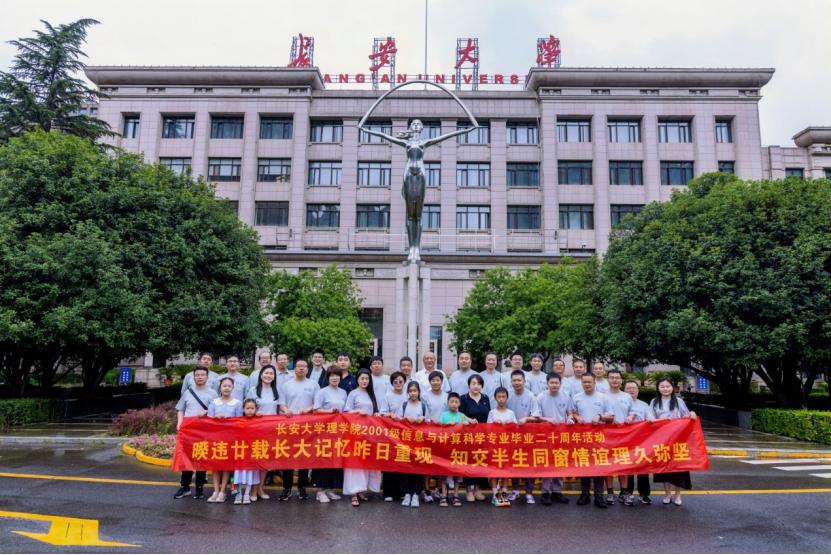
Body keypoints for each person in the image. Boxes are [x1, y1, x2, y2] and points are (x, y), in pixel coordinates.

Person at [278, 357, 319, 501]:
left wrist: (309, 408)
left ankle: (302, 487)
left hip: (307, 426)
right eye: (298, 366)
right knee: (288, 456)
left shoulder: (313, 384)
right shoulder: (287, 385)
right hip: (290, 425)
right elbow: (281, 403)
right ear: (294, 369)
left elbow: (317, 403)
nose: (301, 368)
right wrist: (286, 409)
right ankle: (287, 488)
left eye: (304, 366)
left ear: (307, 369)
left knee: (304, 456)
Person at [651, 377, 697, 506]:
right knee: (664, 468)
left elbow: (686, 417)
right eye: (662, 386)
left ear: (672, 388)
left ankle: (678, 494)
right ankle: (667, 494)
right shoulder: (654, 402)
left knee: (678, 468)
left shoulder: (679, 401)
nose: (665, 389)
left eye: (667, 386)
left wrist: (692, 414)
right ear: (658, 388)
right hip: (662, 440)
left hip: (678, 439)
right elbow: (651, 418)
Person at [174, 366, 218, 500]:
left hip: (204, 431)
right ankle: (185, 487)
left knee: (201, 458)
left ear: (207, 377)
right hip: (188, 430)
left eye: (202, 375)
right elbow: (180, 409)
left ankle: (199, 488)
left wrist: (207, 411)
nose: (199, 377)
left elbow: (216, 411)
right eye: (197, 375)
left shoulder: (213, 394)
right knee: (186, 458)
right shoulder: (188, 392)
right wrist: (179, 423)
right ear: (193, 377)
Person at [572, 373, 614, 508]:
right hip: (583, 438)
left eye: (589, 382)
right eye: (584, 382)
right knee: (584, 466)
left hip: (599, 438)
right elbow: (572, 412)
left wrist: (600, 416)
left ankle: (599, 496)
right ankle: (585, 494)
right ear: (581, 383)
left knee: (598, 468)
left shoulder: (603, 397)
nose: (587, 384)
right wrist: (576, 417)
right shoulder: (577, 397)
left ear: (594, 382)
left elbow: (611, 417)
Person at [343, 368, 382, 506]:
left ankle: (361, 489)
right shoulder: (353, 394)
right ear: (357, 380)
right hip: (355, 433)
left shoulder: (372, 394)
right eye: (362, 378)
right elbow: (346, 412)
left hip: (369, 434)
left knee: (365, 463)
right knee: (354, 464)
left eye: (367, 379)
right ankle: (353, 493)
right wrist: (358, 411)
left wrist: (376, 415)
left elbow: (375, 412)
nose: (364, 381)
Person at [536, 372, 573, 505]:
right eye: (551, 383)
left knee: (559, 461)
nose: (554, 385)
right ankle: (545, 492)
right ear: (547, 383)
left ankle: (557, 491)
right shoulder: (540, 397)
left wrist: (570, 419)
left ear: (560, 383)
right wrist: (548, 420)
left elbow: (569, 412)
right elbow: (537, 416)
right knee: (547, 463)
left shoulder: (566, 396)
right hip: (546, 435)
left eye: (556, 383)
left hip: (561, 435)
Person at [312, 368, 348, 503]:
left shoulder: (343, 392)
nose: (335, 378)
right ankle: (320, 491)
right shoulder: (322, 392)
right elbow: (315, 410)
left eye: (337, 375)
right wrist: (329, 412)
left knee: (336, 460)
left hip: (339, 432)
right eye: (332, 376)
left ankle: (330, 489)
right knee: (323, 459)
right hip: (324, 431)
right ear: (328, 378)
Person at [206, 377, 242, 503]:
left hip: (230, 439)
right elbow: (208, 421)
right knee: (216, 466)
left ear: (233, 388)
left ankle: (223, 491)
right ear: (220, 388)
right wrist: (216, 418)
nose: (227, 388)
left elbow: (239, 421)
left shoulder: (237, 403)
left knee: (227, 466)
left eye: (229, 386)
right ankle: (215, 490)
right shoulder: (214, 402)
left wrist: (229, 420)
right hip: (216, 438)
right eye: (224, 386)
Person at [246, 365, 279, 500]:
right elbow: (247, 409)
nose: (268, 375)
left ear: (274, 376)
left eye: (271, 373)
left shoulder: (276, 391)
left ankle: (260, 488)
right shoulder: (253, 390)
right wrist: (254, 413)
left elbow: (280, 407)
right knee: (256, 460)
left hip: (271, 430)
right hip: (256, 429)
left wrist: (286, 410)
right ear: (261, 375)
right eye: (266, 373)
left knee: (265, 461)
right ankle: (253, 490)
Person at [604, 369, 636, 505]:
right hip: (607, 436)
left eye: (617, 377)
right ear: (608, 380)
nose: (614, 380)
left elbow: (632, 411)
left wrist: (630, 416)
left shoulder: (627, 396)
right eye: (612, 377)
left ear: (621, 380)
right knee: (608, 465)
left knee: (623, 464)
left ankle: (624, 492)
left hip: (624, 436)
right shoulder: (602, 396)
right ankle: (610, 492)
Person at [621, 380, 655, 505]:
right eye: (628, 388)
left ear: (638, 390)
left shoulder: (644, 405)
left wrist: (650, 420)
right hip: (626, 440)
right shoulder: (621, 403)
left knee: (642, 467)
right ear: (624, 390)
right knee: (628, 467)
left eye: (634, 388)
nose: (631, 390)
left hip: (642, 440)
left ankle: (644, 494)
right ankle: (627, 493)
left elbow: (651, 419)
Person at [396, 381, 428, 508]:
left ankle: (415, 494)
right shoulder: (404, 405)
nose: (413, 393)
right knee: (405, 468)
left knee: (417, 468)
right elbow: (397, 420)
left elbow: (429, 421)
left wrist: (423, 418)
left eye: (415, 391)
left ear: (419, 392)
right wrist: (405, 419)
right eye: (410, 391)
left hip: (419, 442)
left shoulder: (423, 405)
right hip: (405, 441)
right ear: (407, 393)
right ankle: (406, 494)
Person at [459, 374, 490, 502]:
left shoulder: (485, 398)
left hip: (482, 437)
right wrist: (469, 420)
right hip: (468, 436)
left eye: (478, 384)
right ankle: (469, 490)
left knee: (480, 461)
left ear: (482, 386)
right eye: (473, 383)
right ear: (469, 385)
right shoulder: (463, 398)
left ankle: (477, 489)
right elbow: (459, 415)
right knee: (469, 462)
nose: (476, 386)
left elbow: (489, 415)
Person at [437, 392, 472, 507]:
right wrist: (447, 424)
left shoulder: (461, 416)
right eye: (451, 401)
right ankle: (444, 496)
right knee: (444, 473)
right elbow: (438, 427)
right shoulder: (443, 415)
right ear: (448, 403)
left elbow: (470, 422)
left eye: (456, 402)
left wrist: (471, 421)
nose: (454, 404)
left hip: (458, 450)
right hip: (446, 449)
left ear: (459, 404)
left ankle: (456, 496)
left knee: (457, 474)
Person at [380, 370, 408, 502]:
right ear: (392, 383)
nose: (398, 383)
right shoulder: (387, 396)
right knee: (390, 462)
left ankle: (401, 491)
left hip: (405, 434)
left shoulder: (408, 395)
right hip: (391, 433)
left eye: (400, 381)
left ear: (404, 382)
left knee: (403, 461)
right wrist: (390, 415)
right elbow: (382, 413)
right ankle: (388, 492)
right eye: (395, 382)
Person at [487, 387, 517, 507]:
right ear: (495, 398)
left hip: (507, 446)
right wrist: (494, 424)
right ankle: (495, 494)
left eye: (503, 397)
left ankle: (504, 493)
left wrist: (511, 424)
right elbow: (487, 429)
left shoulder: (511, 413)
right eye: (499, 397)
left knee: (505, 471)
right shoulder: (492, 413)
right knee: (494, 471)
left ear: (507, 398)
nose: (501, 399)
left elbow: (516, 429)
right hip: (495, 446)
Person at [233, 399, 260, 505]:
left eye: (252, 408)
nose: (250, 410)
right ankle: (237, 494)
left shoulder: (258, 421)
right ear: (243, 409)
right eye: (247, 408)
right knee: (236, 475)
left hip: (251, 453)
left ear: (256, 409)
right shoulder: (238, 421)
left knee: (250, 474)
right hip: (239, 452)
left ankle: (247, 494)